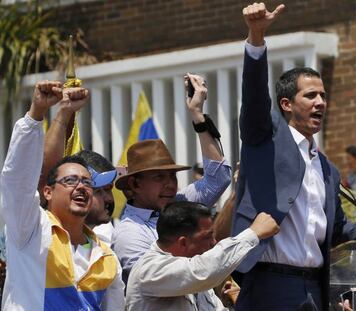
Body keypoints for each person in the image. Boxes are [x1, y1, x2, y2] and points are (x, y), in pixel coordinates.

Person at [231, 3, 356, 310]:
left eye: (323, 95)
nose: (320, 102)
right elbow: (255, 96)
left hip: (316, 288)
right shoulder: (264, 140)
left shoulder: (326, 169)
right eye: (310, 95)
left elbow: (335, 230)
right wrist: (256, 36)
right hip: (269, 285)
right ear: (285, 104)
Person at [0, 81, 124, 310]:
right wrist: (36, 114)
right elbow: (17, 179)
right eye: (70, 181)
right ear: (47, 191)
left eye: (87, 183)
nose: (81, 187)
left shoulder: (106, 256)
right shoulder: (30, 231)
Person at [112, 73, 232, 284]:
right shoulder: (129, 233)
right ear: (134, 184)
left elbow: (219, 178)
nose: (170, 184)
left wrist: (197, 116)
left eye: (172, 175)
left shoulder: (180, 203)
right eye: (159, 177)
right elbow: (161, 282)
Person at [125, 201, 279, 310]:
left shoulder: (195, 277)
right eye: (207, 237)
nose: (214, 243)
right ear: (183, 242)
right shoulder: (149, 270)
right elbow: (203, 271)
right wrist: (253, 233)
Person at [39, 95, 118, 244]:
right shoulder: (39, 232)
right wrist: (63, 114)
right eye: (98, 191)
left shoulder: (106, 247)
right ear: (49, 192)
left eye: (108, 190)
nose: (108, 199)